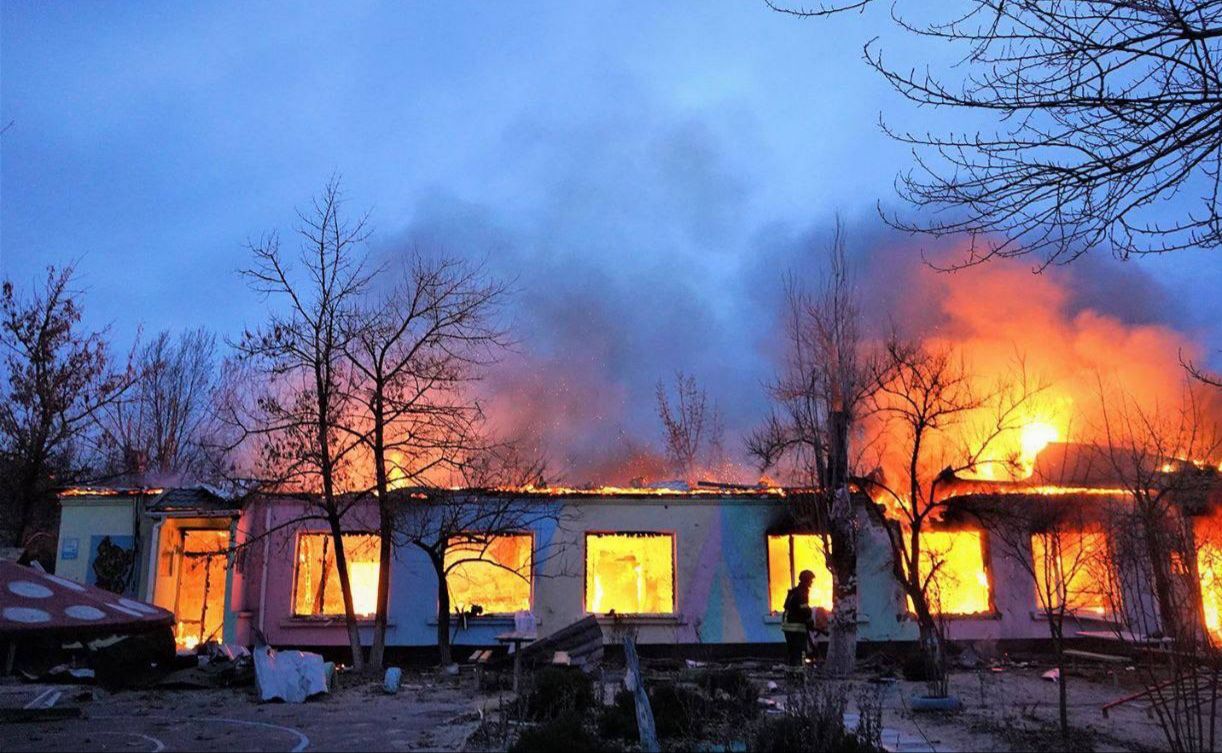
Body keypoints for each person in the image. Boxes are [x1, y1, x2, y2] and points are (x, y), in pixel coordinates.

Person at [781, 570, 817, 666]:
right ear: (806, 580)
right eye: (810, 580)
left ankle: (791, 670)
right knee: (801, 650)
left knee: (792, 651)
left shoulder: (793, 592)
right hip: (796, 626)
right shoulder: (802, 592)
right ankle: (800, 670)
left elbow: (787, 606)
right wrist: (810, 622)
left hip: (787, 624)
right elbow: (805, 610)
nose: (811, 582)